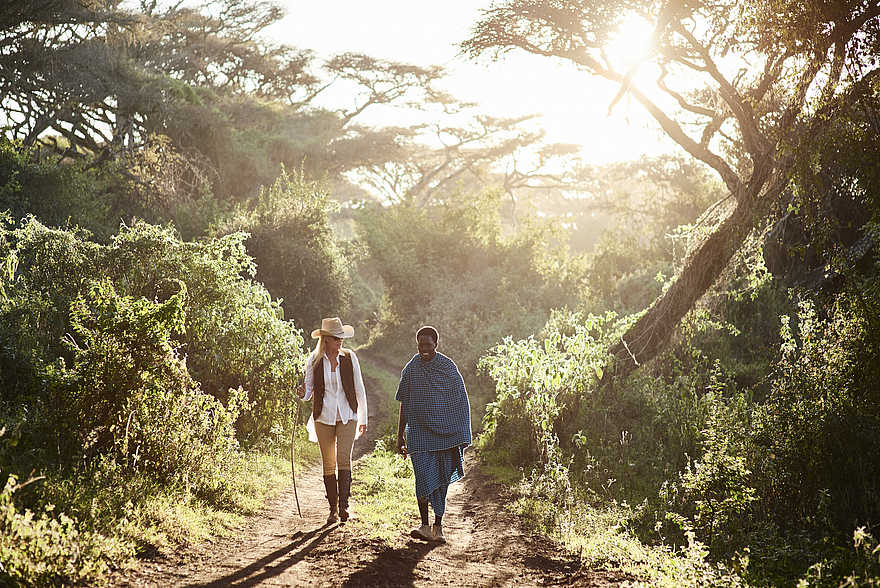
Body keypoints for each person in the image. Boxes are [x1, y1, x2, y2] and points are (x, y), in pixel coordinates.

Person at [396, 325, 472, 543]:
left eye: (428, 345)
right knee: (421, 476)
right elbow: (404, 402)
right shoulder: (412, 368)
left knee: (440, 480)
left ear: (436, 345)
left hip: (445, 435)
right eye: (421, 345)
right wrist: (400, 434)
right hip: (419, 432)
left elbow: (461, 403)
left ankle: (438, 527)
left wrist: (460, 433)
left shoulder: (448, 368)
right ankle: (424, 525)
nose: (424, 349)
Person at [297, 317, 368, 524]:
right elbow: (308, 391)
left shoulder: (350, 357)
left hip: (347, 415)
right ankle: (332, 509)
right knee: (329, 464)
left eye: (341, 338)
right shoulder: (314, 360)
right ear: (326, 340)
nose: (340, 342)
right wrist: (302, 393)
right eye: (336, 338)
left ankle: (344, 506)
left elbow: (359, 388)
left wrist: (362, 417)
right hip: (323, 417)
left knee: (344, 459)